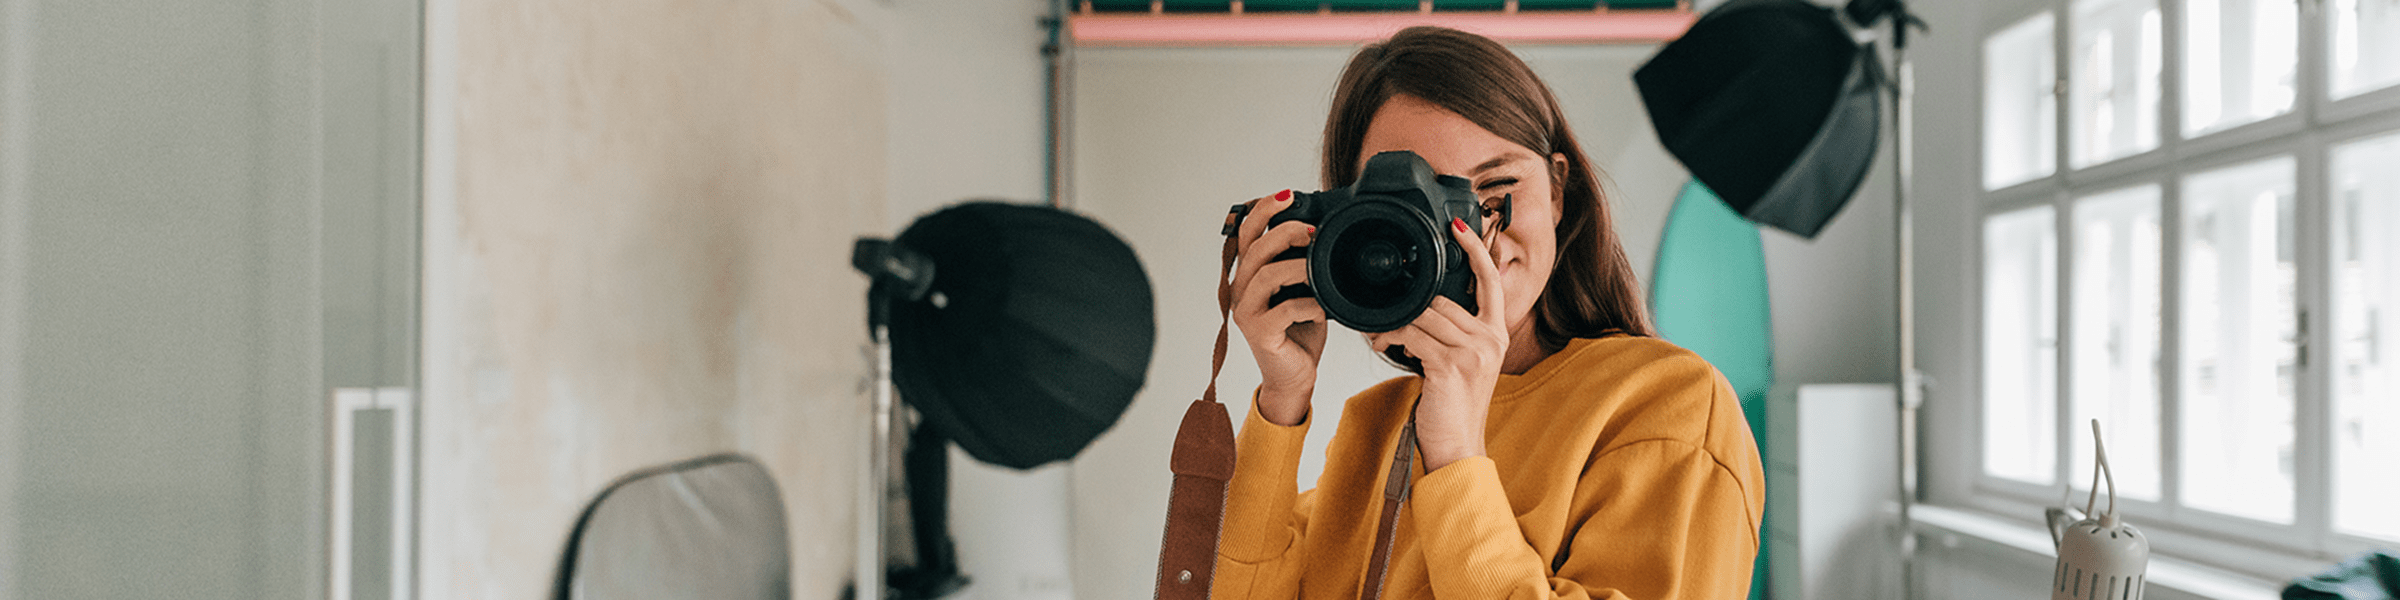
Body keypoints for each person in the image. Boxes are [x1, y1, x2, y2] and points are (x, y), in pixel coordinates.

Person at [1216, 26, 1765, 600]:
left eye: (1497, 191)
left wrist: (1455, 453)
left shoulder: (1668, 405)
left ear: (1557, 190)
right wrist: (1281, 401)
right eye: (1417, 206)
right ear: (1349, 226)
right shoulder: (1375, 425)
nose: (1472, 236)